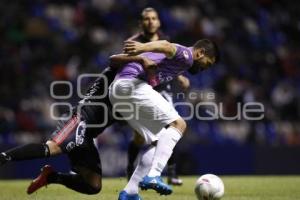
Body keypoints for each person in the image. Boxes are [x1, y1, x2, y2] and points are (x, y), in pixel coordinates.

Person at [110, 39, 219, 200]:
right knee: (179, 124)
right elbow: (166, 45)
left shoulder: (182, 62)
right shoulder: (187, 55)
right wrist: (142, 46)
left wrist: (178, 76)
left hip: (117, 91)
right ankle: (154, 175)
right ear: (200, 53)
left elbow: (162, 58)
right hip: (132, 84)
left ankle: (130, 193)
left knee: (160, 141)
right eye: (207, 64)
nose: (204, 69)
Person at [126, 7, 189, 185]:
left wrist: (181, 76)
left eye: (154, 18)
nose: (151, 21)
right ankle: (130, 167)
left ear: (159, 22)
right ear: (141, 23)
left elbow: (169, 63)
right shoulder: (133, 42)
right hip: (140, 89)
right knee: (139, 138)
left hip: (163, 89)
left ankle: (172, 172)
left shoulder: (165, 41)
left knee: (173, 126)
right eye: (147, 19)